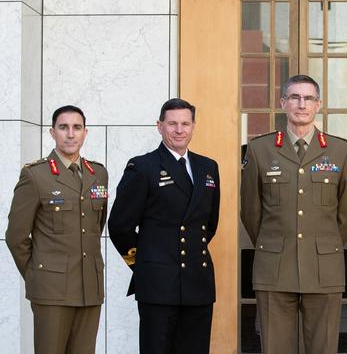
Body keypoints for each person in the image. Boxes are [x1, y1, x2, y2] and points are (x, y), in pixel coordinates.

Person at [240, 74, 347, 354]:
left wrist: (323, 244)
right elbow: (251, 210)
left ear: (319, 105)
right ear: (283, 103)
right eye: (294, 97)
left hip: (323, 267)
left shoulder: (341, 150)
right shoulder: (260, 149)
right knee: (275, 347)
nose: (301, 104)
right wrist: (273, 242)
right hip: (274, 266)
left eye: (308, 98)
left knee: (323, 347)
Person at [108, 98, 220, 353]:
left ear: (193, 127)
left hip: (197, 282)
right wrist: (145, 262)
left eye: (185, 123)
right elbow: (120, 227)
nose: (179, 130)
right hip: (157, 284)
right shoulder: (143, 167)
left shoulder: (208, 167)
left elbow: (208, 224)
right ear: (159, 126)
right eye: (172, 124)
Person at [6, 105, 108, 354]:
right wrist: (37, 274)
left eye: (77, 128)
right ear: (52, 133)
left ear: (86, 133)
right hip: (51, 290)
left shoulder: (99, 174)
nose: (70, 134)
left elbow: (96, 226)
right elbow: (16, 236)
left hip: (90, 288)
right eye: (63, 128)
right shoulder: (35, 175)